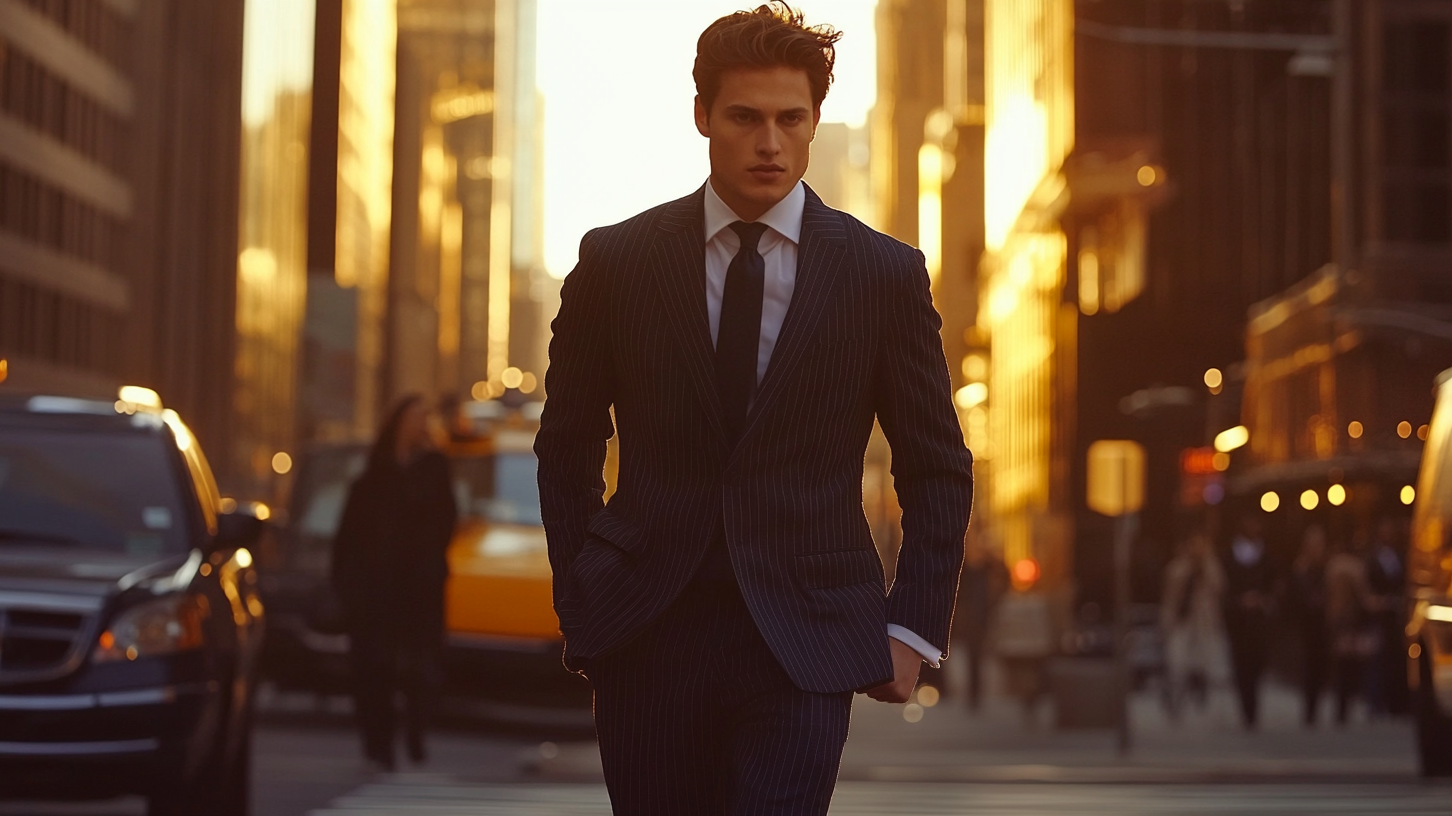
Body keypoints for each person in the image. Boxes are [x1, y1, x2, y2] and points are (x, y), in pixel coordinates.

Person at [535, 5, 973, 813]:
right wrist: (582, 596)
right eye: (744, 118)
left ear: (813, 123)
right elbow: (565, 446)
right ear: (702, 117)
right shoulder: (616, 263)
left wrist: (912, 627)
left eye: (789, 119)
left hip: (805, 637)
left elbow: (937, 465)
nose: (769, 142)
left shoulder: (883, 276)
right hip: (649, 629)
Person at [332, 395, 457, 771]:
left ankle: (416, 734)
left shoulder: (434, 467)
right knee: (374, 668)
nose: (421, 425)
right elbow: (351, 534)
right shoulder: (374, 472)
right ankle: (378, 743)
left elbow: (446, 520)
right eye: (415, 417)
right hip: (375, 589)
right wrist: (348, 585)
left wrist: (429, 562)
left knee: (420, 668)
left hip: (419, 588)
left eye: (425, 418)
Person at [1160, 531, 1226, 717]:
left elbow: (1219, 587)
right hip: (1181, 623)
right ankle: (1176, 700)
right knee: (1177, 664)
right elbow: (1169, 597)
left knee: (1203, 663)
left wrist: (1205, 564)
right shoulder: (1178, 568)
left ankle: (1199, 694)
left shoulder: (1211, 568)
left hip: (1203, 624)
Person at [1223, 515, 1274, 730]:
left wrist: (1262, 599)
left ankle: (1253, 709)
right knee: (1241, 667)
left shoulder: (1266, 555)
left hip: (1259, 621)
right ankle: (1247, 712)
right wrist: (1239, 602)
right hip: (1238, 621)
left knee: (1257, 665)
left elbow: (1275, 585)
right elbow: (1222, 590)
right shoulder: (1228, 555)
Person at [1326, 527, 1373, 725]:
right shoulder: (1354, 567)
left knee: (1341, 668)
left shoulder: (1332, 566)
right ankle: (1349, 707)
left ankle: (1341, 709)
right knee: (1352, 667)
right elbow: (1365, 597)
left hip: (1336, 619)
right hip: (1350, 620)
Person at [1287, 525, 1329, 726]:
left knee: (1321, 667)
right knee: (1309, 667)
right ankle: (1309, 710)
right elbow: (1295, 598)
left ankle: (1318, 707)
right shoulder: (1300, 569)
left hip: (1323, 625)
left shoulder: (1327, 568)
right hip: (1305, 625)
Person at [958, 536, 1008, 711]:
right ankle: (974, 695)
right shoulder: (969, 573)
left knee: (980, 658)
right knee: (974, 658)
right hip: (973, 621)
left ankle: (978, 694)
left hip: (985, 619)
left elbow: (1002, 577)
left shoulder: (987, 570)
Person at [1365, 517, 1408, 716]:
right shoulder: (1372, 559)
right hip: (1379, 615)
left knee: (1397, 659)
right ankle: (1376, 703)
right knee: (1378, 659)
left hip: (1397, 615)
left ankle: (1397, 704)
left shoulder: (1400, 557)